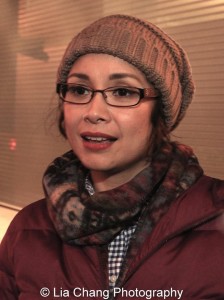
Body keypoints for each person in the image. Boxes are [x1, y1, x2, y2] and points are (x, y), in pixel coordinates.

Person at [0, 14, 224, 300]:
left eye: (122, 92)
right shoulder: (27, 229)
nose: (93, 112)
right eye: (79, 90)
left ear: (161, 114)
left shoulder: (215, 213)